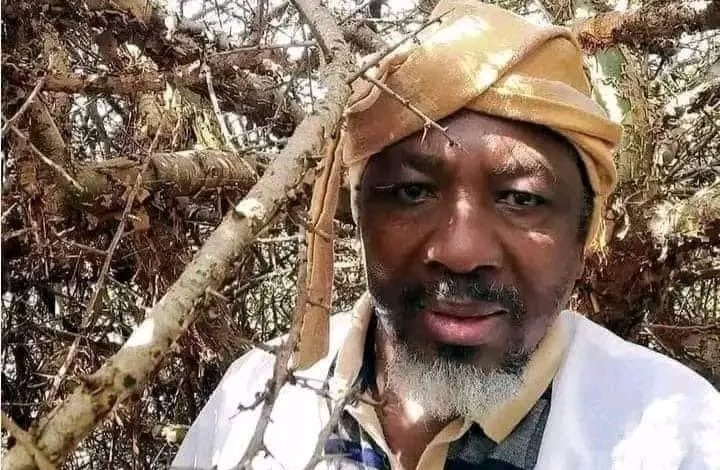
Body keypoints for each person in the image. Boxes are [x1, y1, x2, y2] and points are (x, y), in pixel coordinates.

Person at [172, 0, 720, 468]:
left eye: (522, 199)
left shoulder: (678, 436)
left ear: (584, 235)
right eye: (413, 192)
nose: (461, 252)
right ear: (359, 214)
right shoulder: (254, 396)